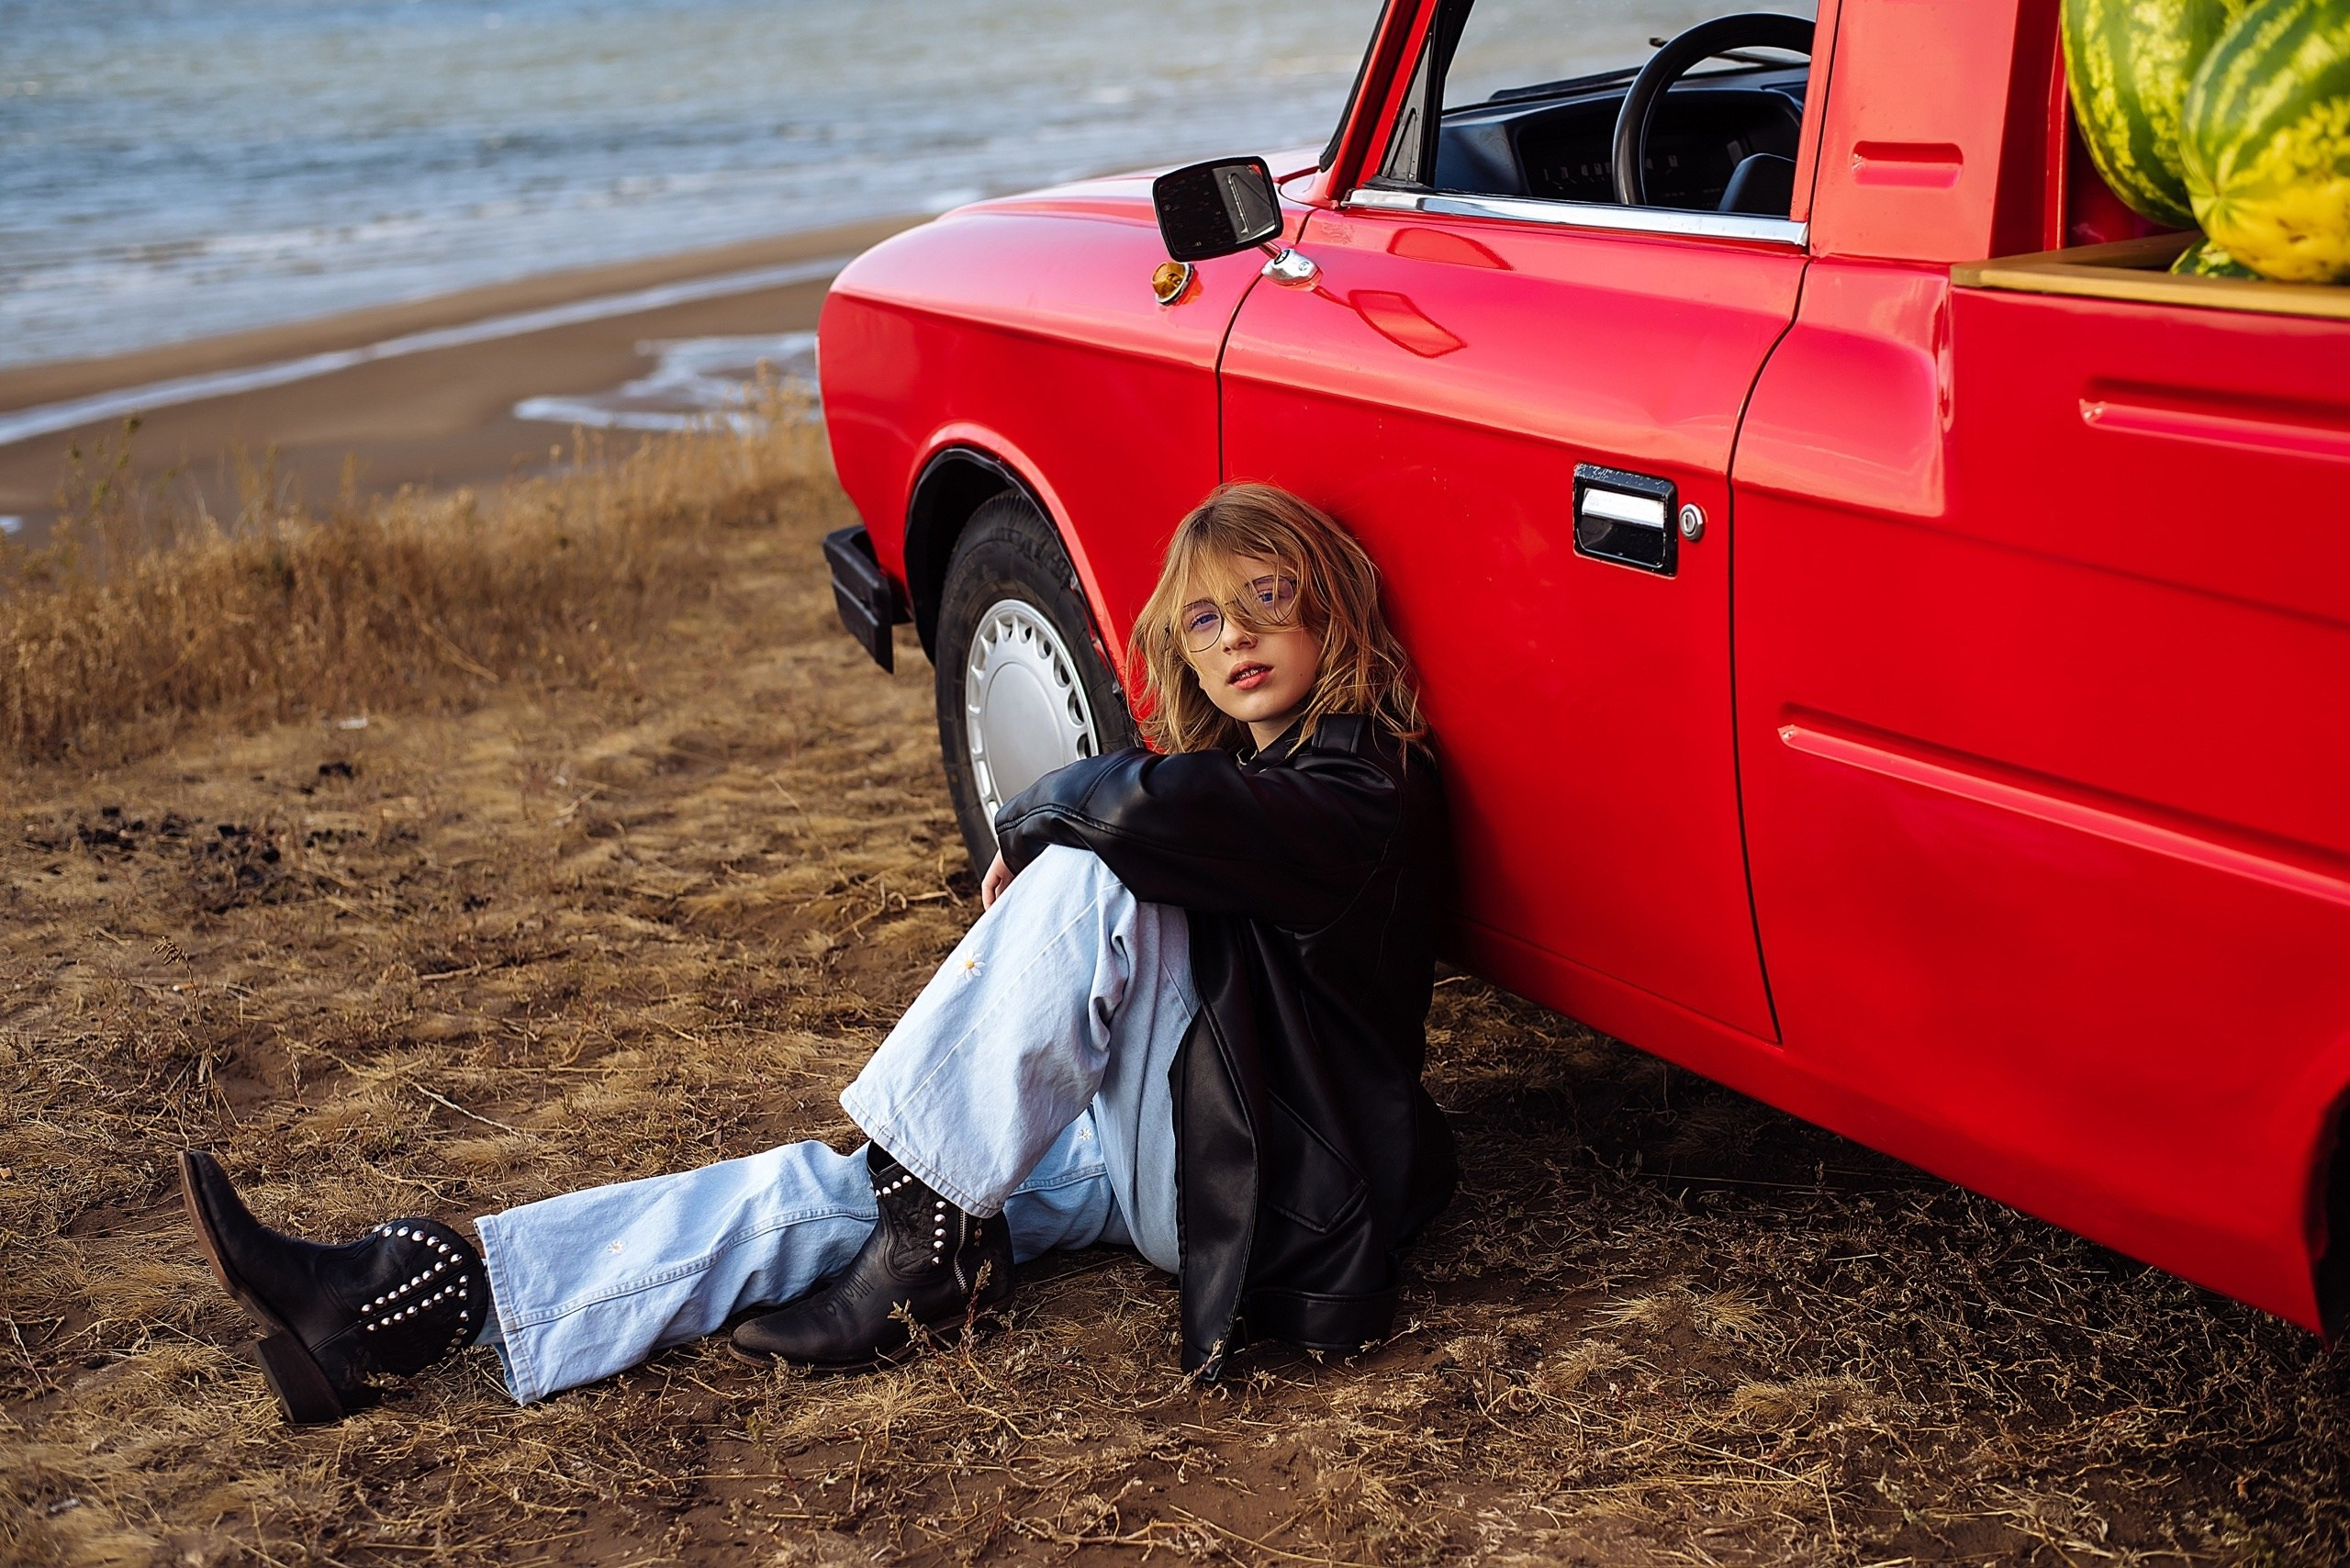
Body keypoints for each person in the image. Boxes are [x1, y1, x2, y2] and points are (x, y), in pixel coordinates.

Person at [179, 481, 1458, 1424]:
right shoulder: (1244, 789)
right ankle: (415, 1300)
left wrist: (1038, 821)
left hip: (1271, 1195)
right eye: (1199, 621)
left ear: (1330, 605)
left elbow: (1147, 812)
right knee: (835, 1190)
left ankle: (931, 1229)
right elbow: (1172, 822)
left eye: (1265, 599)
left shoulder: (1364, 788)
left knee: (1094, 860)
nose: (1231, 635)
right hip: (1178, 1150)